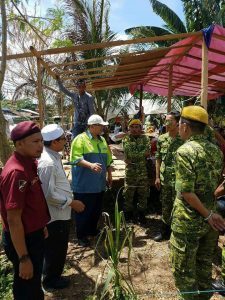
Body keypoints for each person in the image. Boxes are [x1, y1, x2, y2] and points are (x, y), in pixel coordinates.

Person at [170, 106, 225, 300]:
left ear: (185, 126)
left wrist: (207, 214)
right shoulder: (216, 151)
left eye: (179, 125)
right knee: (203, 270)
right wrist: (210, 213)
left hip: (189, 222)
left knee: (184, 274)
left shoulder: (184, 152)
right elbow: (215, 184)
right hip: (210, 222)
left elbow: (186, 192)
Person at [0, 121, 50, 300]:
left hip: (32, 234)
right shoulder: (17, 172)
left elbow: (31, 205)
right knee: (26, 286)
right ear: (19, 143)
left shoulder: (29, 163)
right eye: (35, 142)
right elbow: (13, 220)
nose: (40, 145)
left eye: (41, 141)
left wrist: (40, 225)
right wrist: (23, 258)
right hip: (23, 241)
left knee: (34, 284)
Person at [38, 124, 85, 290]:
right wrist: (72, 202)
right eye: (63, 139)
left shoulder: (53, 157)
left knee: (58, 246)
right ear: (54, 142)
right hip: (55, 215)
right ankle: (50, 280)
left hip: (60, 212)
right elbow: (48, 194)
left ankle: (53, 275)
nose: (66, 141)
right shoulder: (47, 163)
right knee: (55, 248)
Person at [70, 114, 113, 247]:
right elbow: (75, 158)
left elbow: (108, 160)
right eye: (101, 126)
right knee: (83, 211)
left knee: (95, 209)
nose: (103, 128)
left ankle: (92, 230)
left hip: (98, 184)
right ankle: (81, 236)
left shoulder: (102, 140)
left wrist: (109, 175)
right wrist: (90, 165)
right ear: (92, 126)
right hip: (84, 185)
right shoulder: (80, 139)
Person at [154, 111, 183, 241]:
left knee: (179, 207)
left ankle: (177, 233)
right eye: (165, 120)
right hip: (165, 179)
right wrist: (157, 177)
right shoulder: (161, 138)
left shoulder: (184, 139)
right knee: (165, 206)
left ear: (177, 122)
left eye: (169, 120)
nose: (166, 123)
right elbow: (158, 158)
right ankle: (165, 231)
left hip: (179, 181)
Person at [122, 119, 150, 224]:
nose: (134, 129)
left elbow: (147, 152)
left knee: (143, 194)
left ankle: (141, 217)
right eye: (132, 127)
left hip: (143, 172)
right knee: (128, 194)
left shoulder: (146, 138)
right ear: (129, 128)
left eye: (137, 127)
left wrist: (134, 157)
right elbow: (129, 154)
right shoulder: (126, 139)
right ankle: (128, 217)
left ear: (140, 128)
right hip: (130, 172)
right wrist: (141, 154)